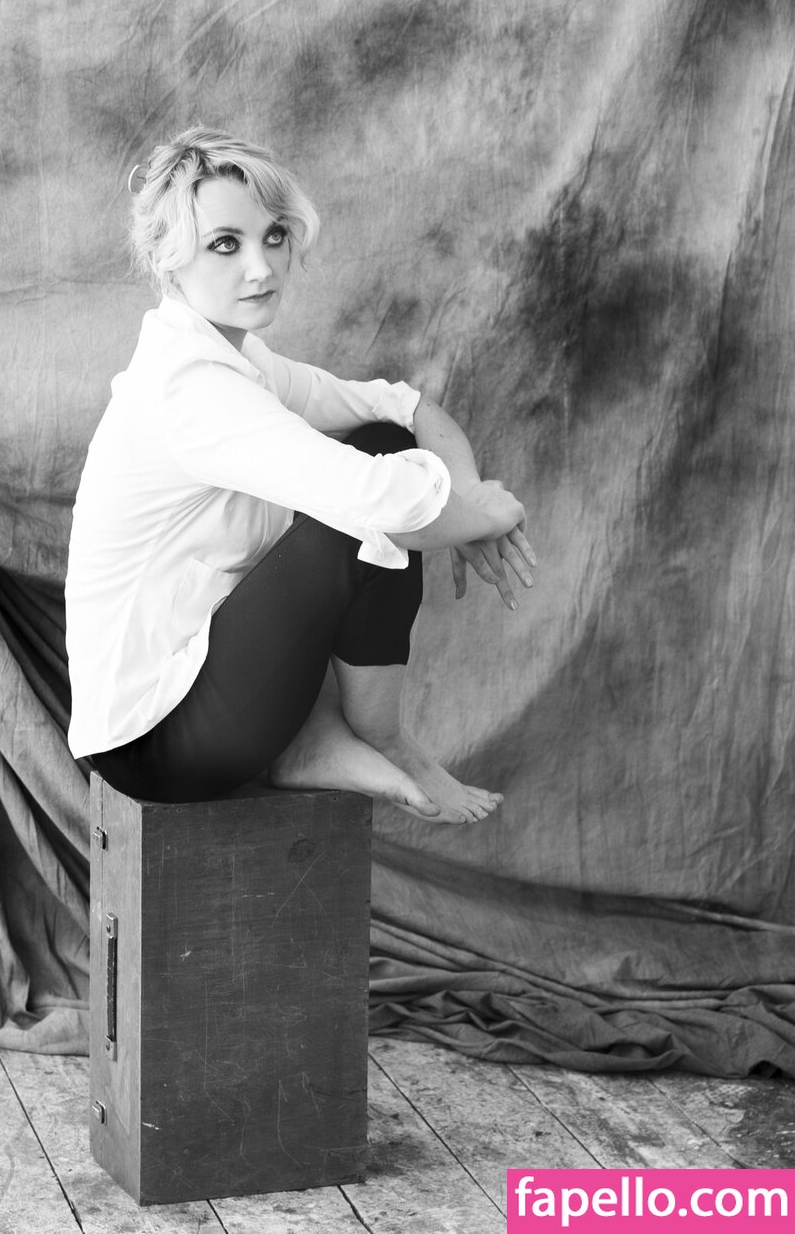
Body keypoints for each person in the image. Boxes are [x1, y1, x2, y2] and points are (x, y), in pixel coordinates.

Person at [65, 127, 536, 823]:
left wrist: (463, 497)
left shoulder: (236, 359)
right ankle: (382, 738)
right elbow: (381, 501)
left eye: (275, 236)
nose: (262, 268)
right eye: (225, 244)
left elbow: (400, 408)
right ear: (170, 259)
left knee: (381, 442)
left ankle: (317, 740)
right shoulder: (187, 385)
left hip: (215, 686)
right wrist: (488, 516)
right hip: (156, 739)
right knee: (361, 506)